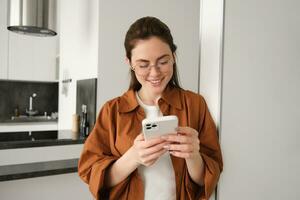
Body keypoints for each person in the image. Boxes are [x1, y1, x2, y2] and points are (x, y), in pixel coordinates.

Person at [78, 16, 223, 200]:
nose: (154, 73)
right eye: (143, 65)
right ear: (129, 63)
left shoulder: (195, 104)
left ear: (174, 57)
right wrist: (132, 158)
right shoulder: (112, 111)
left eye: (163, 62)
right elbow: (91, 174)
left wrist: (193, 155)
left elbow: (207, 179)